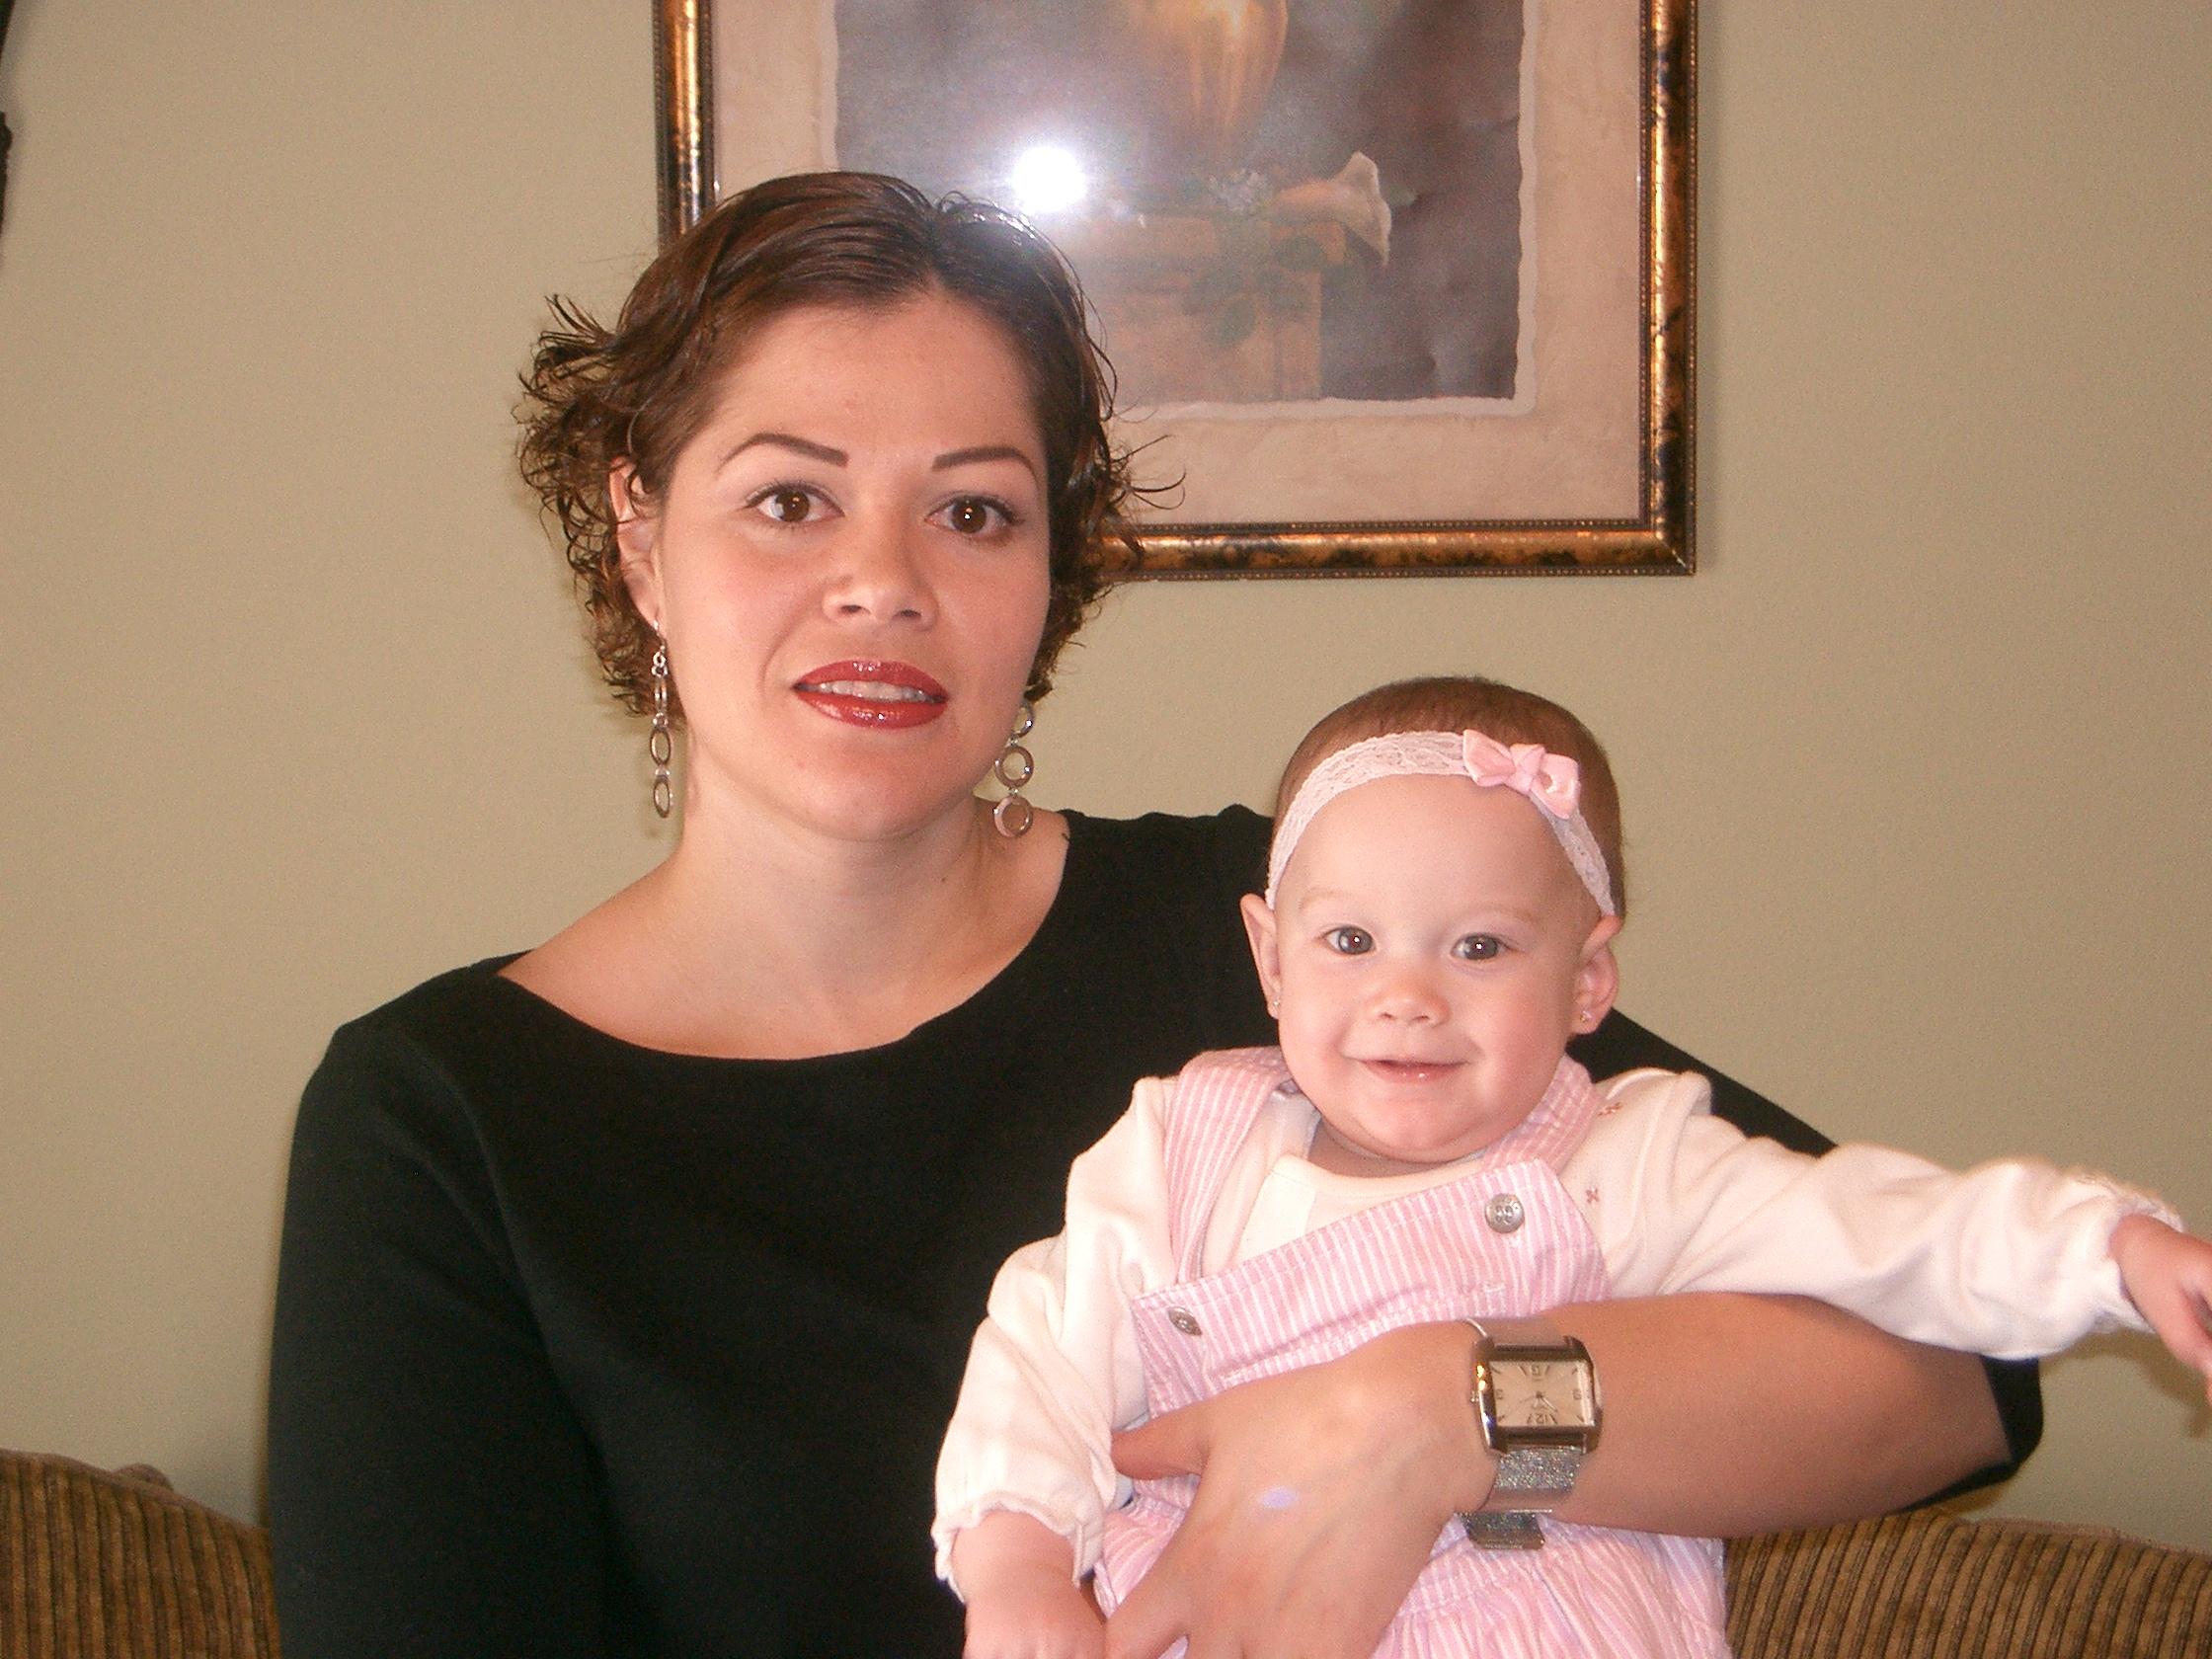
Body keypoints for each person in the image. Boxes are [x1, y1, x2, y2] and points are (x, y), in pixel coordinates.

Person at [266, 173, 2038, 1659]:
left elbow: (1957, 1364)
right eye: (789, 499)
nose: (883, 583)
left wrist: (1444, 1416)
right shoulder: (445, 1123)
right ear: (641, 539)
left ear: (1051, 575)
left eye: (974, 511)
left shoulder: (1290, 939)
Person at [935, 675, 2212, 1658]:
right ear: (1270, 958)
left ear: (1590, 978)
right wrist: (1018, 1566)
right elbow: (1044, 1348)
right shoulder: (1181, 1150)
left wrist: (2114, 1249)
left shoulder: (1627, 1158)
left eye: (1480, 948)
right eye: (1351, 942)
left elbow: (1890, 1231)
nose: (1407, 998)